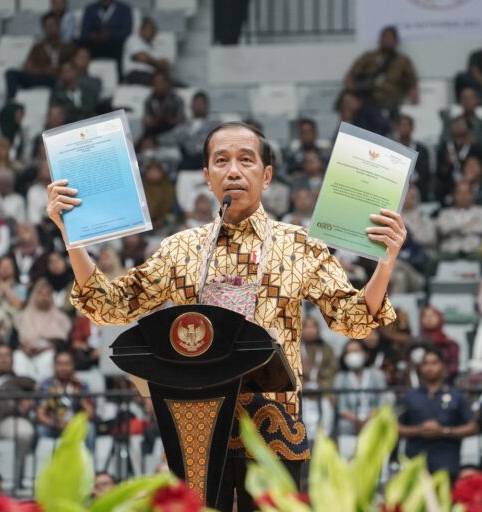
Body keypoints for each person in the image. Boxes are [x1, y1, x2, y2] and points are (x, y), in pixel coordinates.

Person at [46, 121, 406, 511]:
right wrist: (73, 238)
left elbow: (351, 319)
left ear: (266, 176)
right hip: (194, 427)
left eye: (246, 160)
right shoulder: (179, 248)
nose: (233, 170)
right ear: (206, 176)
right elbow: (109, 306)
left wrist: (385, 265)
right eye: (221, 161)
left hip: (273, 428)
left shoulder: (300, 246)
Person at [398, 348, 478, 479]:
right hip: (415, 464)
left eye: (434, 363)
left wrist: (444, 431)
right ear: (420, 368)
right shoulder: (410, 396)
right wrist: (419, 430)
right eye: (426, 363)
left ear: (442, 366)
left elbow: (473, 427)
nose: (430, 367)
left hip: (446, 462)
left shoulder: (456, 395)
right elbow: (395, 427)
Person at [0, 343, 36, 481]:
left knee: (24, 432)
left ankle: (17, 476)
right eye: (0, 356)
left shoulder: (22, 381)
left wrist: (31, 400)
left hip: (9, 420)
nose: (4, 360)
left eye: (8, 356)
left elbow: (42, 390)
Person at [343, 25, 418, 115]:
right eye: (384, 37)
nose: (387, 40)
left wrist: (414, 103)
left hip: (389, 97)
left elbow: (412, 84)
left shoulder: (402, 61)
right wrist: (353, 91)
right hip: (366, 94)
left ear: (396, 41)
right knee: (347, 101)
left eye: (390, 37)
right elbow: (350, 77)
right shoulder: (369, 57)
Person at [5, 13, 75, 100]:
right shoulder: (38, 47)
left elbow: (71, 67)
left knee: (59, 80)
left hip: (55, 78)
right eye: (46, 26)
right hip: (37, 77)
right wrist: (40, 70)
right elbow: (27, 65)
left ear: (59, 26)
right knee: (10, 73)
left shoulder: (67, 47)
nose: (49, 28)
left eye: (52, 25)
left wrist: (57, 71)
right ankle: (11, 103)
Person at [14, 278, 72, 381]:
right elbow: (14, 341)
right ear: (34, 295)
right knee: (18, 357)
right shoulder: (22, 317)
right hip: (26, 352)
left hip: (48, 351)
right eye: (40, 293)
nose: (44, 297)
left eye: (47, 294)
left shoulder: (61, 318)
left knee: (48, 358)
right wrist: (24, 348)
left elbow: (64, 343)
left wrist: (47, 347)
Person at [36, 349, 95, 446]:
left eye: (67, 364)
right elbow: (40, 415)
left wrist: (80, 398)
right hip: (53, 426)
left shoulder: (81, 384)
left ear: (73, 366)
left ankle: (90, 461)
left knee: (90, 428)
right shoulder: (46, 385)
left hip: (75, 425)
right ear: (54, 366)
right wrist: (55, 424)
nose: (63, 368)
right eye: (59, 364)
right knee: (40, 430)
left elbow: (91, 413)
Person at [334, 339, 387, 436]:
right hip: (350, 421)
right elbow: (341, 407)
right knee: (343, 425)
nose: (352, 355)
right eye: (349, 352)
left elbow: (382, 402)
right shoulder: (341, 378)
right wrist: (357, 421)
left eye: (356, 351)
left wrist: (368, 419)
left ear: (366, 354)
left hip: (373, 418)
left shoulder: (377, 375)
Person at [160, 91, 221, 170]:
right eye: (196, 103)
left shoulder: (215, 123)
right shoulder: (185, 124)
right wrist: (154, 140)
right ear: (191, 105)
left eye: (201, 103)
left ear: (207, 106)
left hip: (206, 158)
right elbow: (172, 137)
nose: (198, 106)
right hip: (188, 158)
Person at [435, 116, 482, 205]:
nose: (458, 126)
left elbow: (479, 171)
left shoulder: (476, 148)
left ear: (468, 129)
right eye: (455, 123)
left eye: (462, 123)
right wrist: (447, 163)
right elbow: (439, 173)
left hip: (470, 186)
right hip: (448, 186)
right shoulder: (444, 148)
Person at [435, 180, 482, 258]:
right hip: (449, 251)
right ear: (454, 195)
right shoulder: (444, 213)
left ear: (472, 195)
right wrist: (468, 225)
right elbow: (443, 229)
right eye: (460, 193)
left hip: (474, 250)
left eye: (466, 193)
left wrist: (455, 228)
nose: (463, 196)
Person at [79, 0, 132, 77]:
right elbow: (84, 32)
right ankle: (83, 75)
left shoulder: (124, 9)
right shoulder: (90, 9)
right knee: (81, 44)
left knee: (122, 45)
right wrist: (95, 35)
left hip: (115, 44)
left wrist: (110, 34)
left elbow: (127, 31)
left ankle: (120, 77)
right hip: (94, 43)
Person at [122, 17, 171, 85]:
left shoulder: (154, 46)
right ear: (141, 30)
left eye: (153, 30)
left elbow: (165, 65)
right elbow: (140, 57)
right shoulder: (133, 39)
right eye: (148, 29)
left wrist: (150, 60)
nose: (151, 32)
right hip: (135, 74)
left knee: (172, 84)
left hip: (152, 75)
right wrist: (156, 63)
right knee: (159, 83)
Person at [395, 114, 431, 200]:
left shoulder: (422, 150)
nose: (404, 128)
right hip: (396, 187)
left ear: (412, 128)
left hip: (417, 190)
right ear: (397, 128)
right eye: (402, 125)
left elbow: (425, 174)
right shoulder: (391, 149)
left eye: (407, 125)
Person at [142, 71, 185, 137]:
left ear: (167, 83)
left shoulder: (177, 99)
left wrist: (167, 119)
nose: (159, 85)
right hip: (155, 132)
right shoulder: (149, 100)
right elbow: (147, 121)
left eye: (161, 82)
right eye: (156, 82)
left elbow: (180, 120)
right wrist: (158, 118)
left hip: (173, 132)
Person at [141, 160, 176, 230]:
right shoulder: (140, 187)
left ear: (161, 172)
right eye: (151, 171)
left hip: (164, 221)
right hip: (144, 222)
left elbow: (172, 207)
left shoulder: (169, 188)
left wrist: (162, 218)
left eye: (156, 171)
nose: (154, 174)